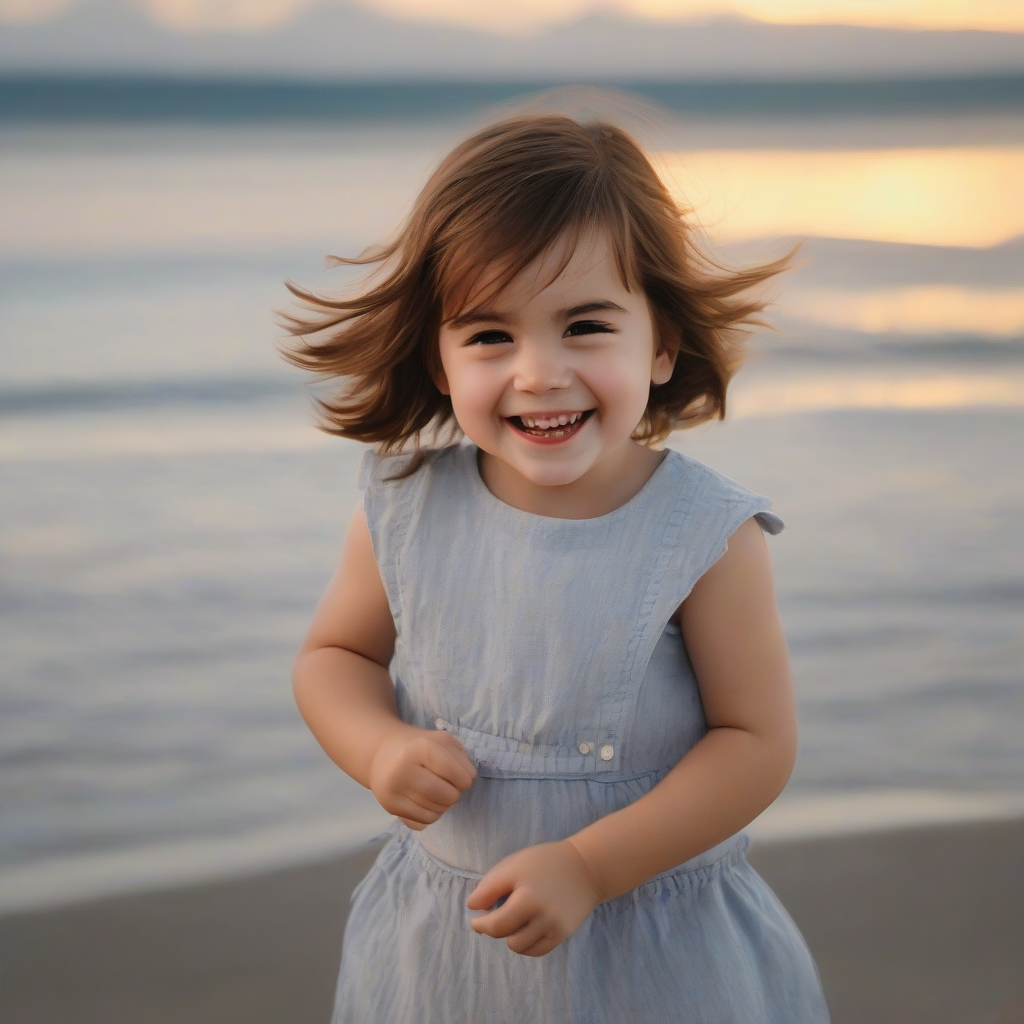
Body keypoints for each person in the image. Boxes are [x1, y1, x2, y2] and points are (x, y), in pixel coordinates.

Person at [282, 111, 830, 1023]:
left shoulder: (704, 533)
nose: (539, 372)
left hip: (656, 954)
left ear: (660, 343)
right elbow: (332, 658)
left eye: (584, 326)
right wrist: (378, 746)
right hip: (447, 956)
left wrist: (589, 865)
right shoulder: (407, 508)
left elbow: (756, 745)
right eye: (490, 336)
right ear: (440, 357)